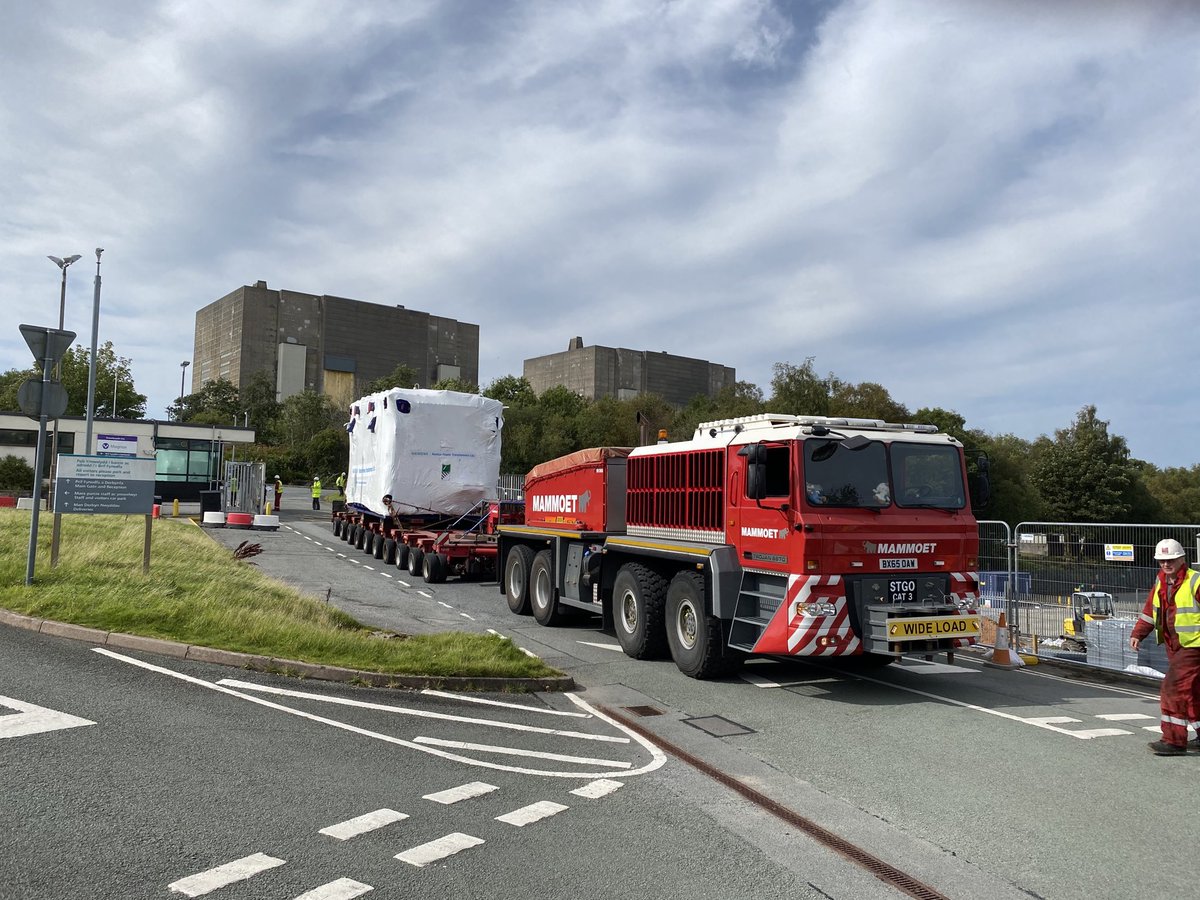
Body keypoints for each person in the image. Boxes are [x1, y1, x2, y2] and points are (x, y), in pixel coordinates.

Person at [1130, 538, 1200, 756]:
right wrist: (1138, 633)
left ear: (1182, 559)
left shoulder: (1195, 581)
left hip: (1193, 646)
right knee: (1193, 692)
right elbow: (1151, 611)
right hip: (1176, 646)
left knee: (1172, 688)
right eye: (1162, 561)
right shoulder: (1162, 582)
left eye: (1171, 560)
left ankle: (1173, 741)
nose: (1166, 564)